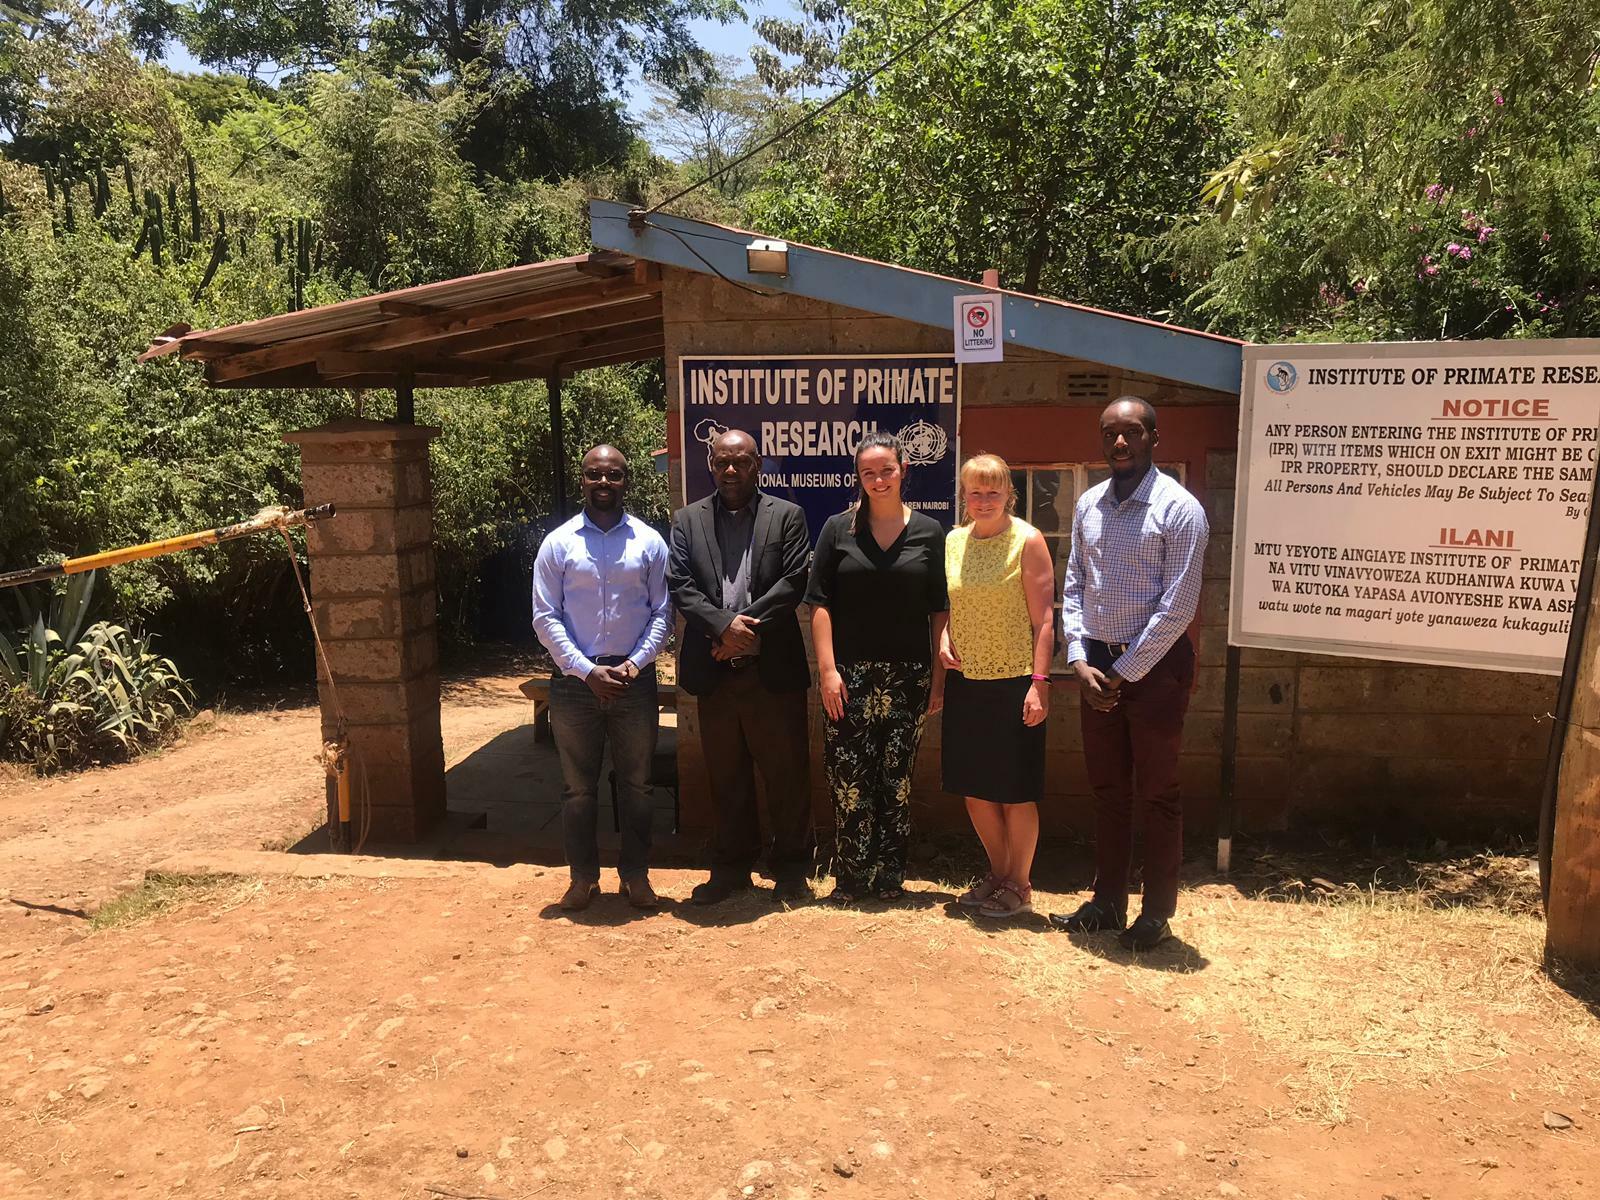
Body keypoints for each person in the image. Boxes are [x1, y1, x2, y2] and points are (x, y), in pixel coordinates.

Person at [1048, 398, 1208, 950]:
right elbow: (1073, 587)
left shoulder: (1179, 510)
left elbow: (1178, 606)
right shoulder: (1090, 505)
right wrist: (1077, 660)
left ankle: (1157, 913)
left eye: (1132, 433)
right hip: (1096, 666)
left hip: (1156, 671)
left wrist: (1124, 671)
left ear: (1153, 439)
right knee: (1109, 790)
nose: (1120, 443)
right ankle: (1107, 901)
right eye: (1110, 434)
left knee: (1158, 792)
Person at [668, 429, 815, 905]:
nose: (730, 470)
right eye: (722, 462)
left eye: (741, 462)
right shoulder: (688, 520)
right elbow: (681, 584)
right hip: (715, 672)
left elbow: (795, 580)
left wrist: (743, 633)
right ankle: (732, 867)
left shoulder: (787, 516)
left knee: (786, 773)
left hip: (771, 669)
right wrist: (723, 629)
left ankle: (792, 869)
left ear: (758, 465)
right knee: (725, 775)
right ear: (710, 465)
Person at [806, 432, 948, 904]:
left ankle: (888, 879)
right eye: (869, 472)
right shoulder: (837, 529)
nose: (879, 479)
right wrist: (827, 671)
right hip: (849, 675)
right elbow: (819, 604)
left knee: (897, 779)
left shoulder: (930, 532)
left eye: (886, 469)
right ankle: (851, 879)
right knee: (849, 780)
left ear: (903, 468)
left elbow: (939, 611)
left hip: (909, 675)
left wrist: (938, 679)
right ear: (859, 477)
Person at [531, 445, 672, 912]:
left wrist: (633, 665)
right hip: (575, 683)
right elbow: (544, 617)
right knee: (577, 789)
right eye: (595, 475)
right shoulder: (559, 543)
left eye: (613, 475)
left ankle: (636, 877)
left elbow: (663, 613)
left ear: (626, 480)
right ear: (583, 480)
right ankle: (582, 879)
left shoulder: (650, 542)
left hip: (635, 679)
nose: (604, 483)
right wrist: (587, 670)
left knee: (637, 786)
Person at [939, 454, 1056, 919]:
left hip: (1014, 682)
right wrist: (946, 636)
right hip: (967, 681)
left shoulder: (1027, 541)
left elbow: (1044, 619)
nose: (984, 500)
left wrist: (1040, 684)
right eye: (975, 492)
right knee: (976, 788)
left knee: (1014, 790)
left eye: (993, 491)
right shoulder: (953, 541)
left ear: (1009, 494)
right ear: (964, 497)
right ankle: (998, 872)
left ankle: (1021, 885)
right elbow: (951, 603)